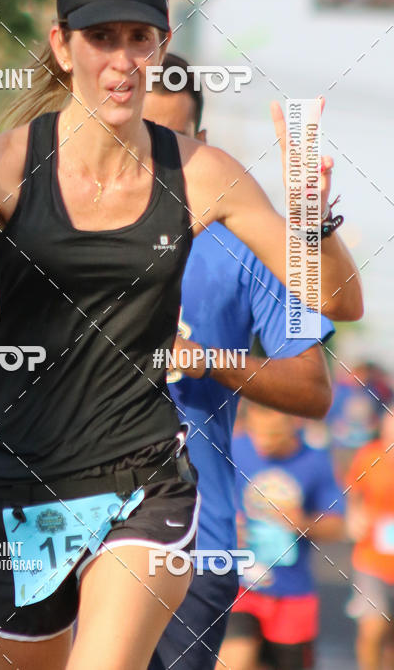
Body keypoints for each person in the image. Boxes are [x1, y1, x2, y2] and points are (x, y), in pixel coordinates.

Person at [0, 0, 363, 670]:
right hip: (14, 480)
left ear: (161, 46)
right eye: (101, 37)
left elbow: (339, 300)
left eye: (139, 38)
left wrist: (311, 218)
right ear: (62, 46)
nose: (122, 60)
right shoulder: (3, 164)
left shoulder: (201, 172)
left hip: (140, 479)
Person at [143, 53, 336, 670]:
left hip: (194, 546)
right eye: (137, 136)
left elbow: (313, 387)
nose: (152, 157)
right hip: (64, 531)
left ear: (202, 144)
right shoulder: (58, 235)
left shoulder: (244, 244)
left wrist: (210, 361)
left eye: (172, 141)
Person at [219, 402, 344, 670]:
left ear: (296, 424)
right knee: (237, 659)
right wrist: (224, 527)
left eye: (274, 435)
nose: (264, 442)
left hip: (293, 592)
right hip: (240, 585)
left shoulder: (316, 461)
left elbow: (337, 526)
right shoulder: (233, 449)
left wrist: (304, 523)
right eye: (258, 433)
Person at [345, 401, 394, 670]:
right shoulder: (368, 457)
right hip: (372, 559)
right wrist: (354, 517)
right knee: (373, 629)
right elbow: (352, 494)